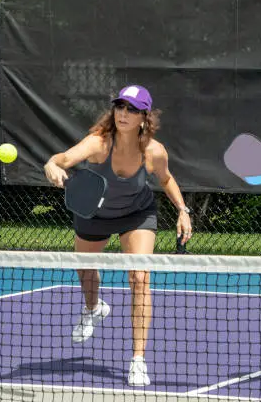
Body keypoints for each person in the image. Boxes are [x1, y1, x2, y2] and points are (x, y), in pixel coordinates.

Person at [44, 84, 192, 387]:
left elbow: (165, 179)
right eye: (120, 107)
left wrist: (183, 210)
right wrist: (51, 165)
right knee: (85, 269)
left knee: (140, 277)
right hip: (94, 214)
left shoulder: (154, 151)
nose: (124, 113)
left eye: (132, 109)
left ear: (144, 117)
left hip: (136, 215)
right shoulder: (98, 143)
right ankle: (93, 308)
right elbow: (62, 159)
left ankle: (138, 360)